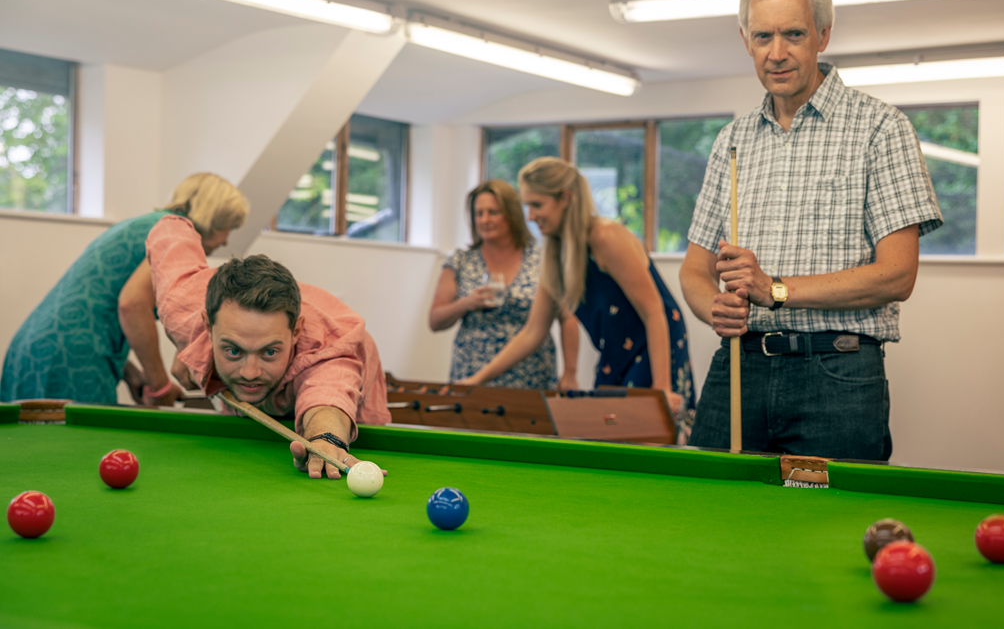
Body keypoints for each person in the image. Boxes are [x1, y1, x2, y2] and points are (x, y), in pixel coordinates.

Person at [679, 0, 943, 460]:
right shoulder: (731, 140)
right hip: (738, 367)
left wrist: (774, 289)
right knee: (708, 516)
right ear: (745, 40)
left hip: (837, 373)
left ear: (823, 35)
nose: (776, 53)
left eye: (793, 34)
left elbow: (897, 275)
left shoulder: (881, 128)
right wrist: (710, 306)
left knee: (828, 530)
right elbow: (695, 270)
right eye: (762, 37)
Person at [458, 157, 695, 439]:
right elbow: (532, 332)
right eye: (527, 206)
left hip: (655, 348)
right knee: (601, 435)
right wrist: (476, 380)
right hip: (614, 354)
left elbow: (654, 312)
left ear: (565, 198)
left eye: (536, 205)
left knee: (643, 436)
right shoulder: (555, 253)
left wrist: (662, 390)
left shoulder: (606, 236)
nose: (530, 216)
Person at [146, 213, 390, 478]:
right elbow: (170, 227)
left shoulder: (327, 349)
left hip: (351, 392)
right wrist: (191, 350)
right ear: (207, 327)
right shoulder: (181, 305)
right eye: (234, 350)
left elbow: (329, 396)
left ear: (296, 331)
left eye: (269, 352)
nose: (250, 372)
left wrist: (327, 438)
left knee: (340, 454)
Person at [0, 173, 248, 406]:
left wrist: (129, 371)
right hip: (68, 358)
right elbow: (132, 304)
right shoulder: (172, 232)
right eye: (229, 228)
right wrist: (160, 386)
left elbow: (95, 308)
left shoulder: (141, 225)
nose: (227, 240)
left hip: (33, 348)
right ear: (214, 216)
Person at [430, 179, 579, 390]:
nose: (485, 220)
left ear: (512, 214)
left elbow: (568, 317)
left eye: (493, 212)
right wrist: (467, 303)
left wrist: (570, 373)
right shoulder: (461, 261)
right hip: (472, 375)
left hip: (533, 376)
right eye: (479, 213)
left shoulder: (542, 260)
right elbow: (435, 321)